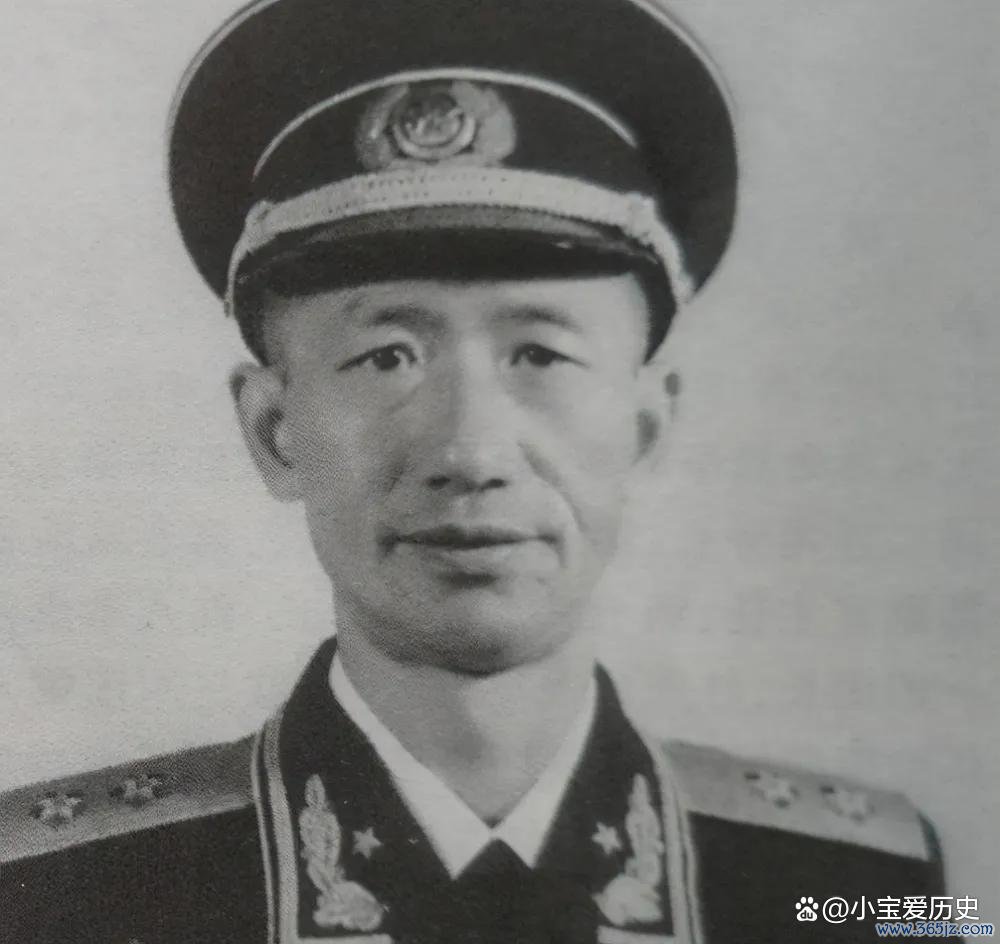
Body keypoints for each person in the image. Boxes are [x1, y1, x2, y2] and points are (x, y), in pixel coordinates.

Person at [1, 0, 952, 941]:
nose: (470, 453)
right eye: (386, 358)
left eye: (540, 354)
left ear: (646, 423)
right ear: (274, 430)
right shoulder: (57, 898)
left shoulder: (870, 890)